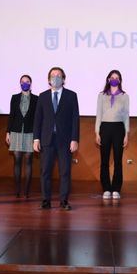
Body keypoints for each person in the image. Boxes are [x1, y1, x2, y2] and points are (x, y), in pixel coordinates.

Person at [33, 67, 80, 211]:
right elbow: (38, 119)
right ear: (48, 80)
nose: (56, 77)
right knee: (45, 172)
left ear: (64, 79)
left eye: (59, 75)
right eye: (53, 75)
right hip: (46, 140)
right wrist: (36, 139)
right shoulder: (42, 96)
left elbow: (75, 119)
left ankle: (64, 201)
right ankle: (46, 200)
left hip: (65, 140)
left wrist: (74, 139)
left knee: (65, 172)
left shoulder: (71, 96)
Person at [95, 70, 130, 200]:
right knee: (104, 160)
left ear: (120, 80)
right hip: (105, 127)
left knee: (118, 159)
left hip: (119, 128)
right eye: (112, 77)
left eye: (117, 78)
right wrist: (97, 132)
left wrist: (126, 134)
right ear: (108, 79)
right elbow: (99, 114)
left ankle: (116, 188)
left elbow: (126, 116)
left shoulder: (125, 96)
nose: (114, 79)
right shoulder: (101, 95)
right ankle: (106, 188)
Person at [6, 75, 38, 198]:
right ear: (20, 83)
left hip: (30, 133)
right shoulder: (14, 98)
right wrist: (7, 132)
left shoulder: (36, 99)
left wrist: (37, 135)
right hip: (16, 132)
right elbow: (11, 116)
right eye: (23, 82)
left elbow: (38, 118)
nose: (25, 83)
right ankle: (17, 190)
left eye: (27, 82)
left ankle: (27, 191)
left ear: (31, 83)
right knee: (17, 161)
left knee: (29, 161)